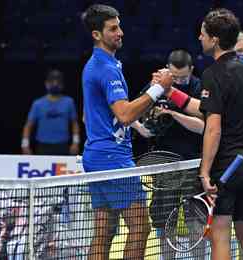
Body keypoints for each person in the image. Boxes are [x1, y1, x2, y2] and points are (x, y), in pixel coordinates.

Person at [154, 8, 243, 260]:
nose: (199, 38)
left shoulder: (213, 74)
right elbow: (206, 109)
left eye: (203, 34)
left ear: (214, 39)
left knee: (220, 234)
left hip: (226, 167)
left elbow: (212, 127)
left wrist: (204, 171)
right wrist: (170, 91)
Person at [81, 4, 172, 260]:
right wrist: (158, 90)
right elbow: (124, 114)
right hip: (112, 159)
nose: (120, 32)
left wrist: (137, 126)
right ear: (96, 34)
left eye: (119, 26)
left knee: (104, 230)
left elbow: (93, 115)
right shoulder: (106, 68)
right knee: (140, 226)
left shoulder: (99, 65)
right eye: (113, 28)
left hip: (97, 156)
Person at [140, 49, 205, 259]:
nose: (178, 81)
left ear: (191, 70)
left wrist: (173, 114)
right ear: (167, 70)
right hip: (164, 164)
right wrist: (145, 126)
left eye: (183, 77)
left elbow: (204, 126)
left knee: (195, 223)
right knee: (165, 224)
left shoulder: (199, 86)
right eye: (174, 77)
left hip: (193, 163)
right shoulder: (158, 85)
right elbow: (134, 113)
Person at [21, 69, 80, 155]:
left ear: (62, 84)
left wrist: (75, 143)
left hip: (62, 146)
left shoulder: (69, 102)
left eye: (58, 82)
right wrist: (25, 144)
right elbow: (28, 125)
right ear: (46, 84)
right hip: (43, 146)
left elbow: (74, 124)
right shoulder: (38, 103)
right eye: (52, 81)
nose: (55, 84)